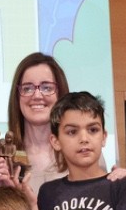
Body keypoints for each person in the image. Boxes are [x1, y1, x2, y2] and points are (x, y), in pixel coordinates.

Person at [7, 52, 75, 193]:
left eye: (47, 88)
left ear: (60, 93)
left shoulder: (83, 150)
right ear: (17, 96)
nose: (37, 95)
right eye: (27, 88)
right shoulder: (2, 155)